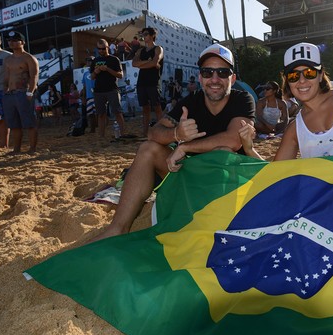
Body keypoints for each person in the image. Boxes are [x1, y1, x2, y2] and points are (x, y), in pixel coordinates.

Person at [91, 44, 255, 241]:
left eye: (222, 72)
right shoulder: (191, 101)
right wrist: (176, 133)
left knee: (223, 152)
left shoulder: (242, 99)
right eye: (208, 72)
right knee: (148, 149)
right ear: (201, 77)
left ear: (233, 78)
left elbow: (233, 140)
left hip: (223, 183)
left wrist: (185, 146)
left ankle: (207, 226)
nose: (214, 79)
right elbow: (154, 133)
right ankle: (118, 228)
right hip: (189, 177)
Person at [241, 42, 333, 160]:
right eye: (293, 76)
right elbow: (275, 174)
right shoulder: (295, 129)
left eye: (309, 73)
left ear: (320, 75)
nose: (302, 81)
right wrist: (249, 149)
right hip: (330, 198)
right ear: (288, 82)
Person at [2, 31, 39, 153]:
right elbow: (7, 77)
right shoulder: (8, 59)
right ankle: (16, 149)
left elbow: (34, 76)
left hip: (24, 92)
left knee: (29, 122)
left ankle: (32, 148)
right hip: (11, 93)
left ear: (22, 42)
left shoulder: (28, 58)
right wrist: (5, 91)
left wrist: (30, 92)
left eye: (14, 40)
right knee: (14, 124)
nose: (11, 42)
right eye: (9, 40)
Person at [91, 39, 126, 139]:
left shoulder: (114, 59)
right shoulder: (95, 61)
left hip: (112, 89)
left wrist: (107, 69)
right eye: (99, 49)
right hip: (98, 90)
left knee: (117, 112)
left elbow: (120, 75)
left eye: (103, 49)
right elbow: (92, 76)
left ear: (108, 48)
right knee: (101, 114)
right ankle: (101, 136)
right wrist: (96, 71)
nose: (101, 51)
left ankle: (122, 134)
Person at [133, 27, 164, 136]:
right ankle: (145, 132)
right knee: (145, 109)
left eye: (146, 34)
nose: (143, 36)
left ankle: (162, 132)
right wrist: (148, 62)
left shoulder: (158, 49)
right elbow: (134, 64)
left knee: (157, 108)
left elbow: (155, 62)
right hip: (141, 83)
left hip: (153, 82)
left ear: (152, 36)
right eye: (143, 34)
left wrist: (143, 64)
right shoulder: (141, 50)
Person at [81, 57, 97, 133]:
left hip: (97, 95)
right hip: (88, 96)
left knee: (100, 114)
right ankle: (93, 129)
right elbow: (84, 86)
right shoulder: (85, 74)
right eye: (88, 61)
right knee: (90, 114)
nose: (89, 62)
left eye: (91, 61)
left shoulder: (97, 72)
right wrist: (83, 97)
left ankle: (100, 128)